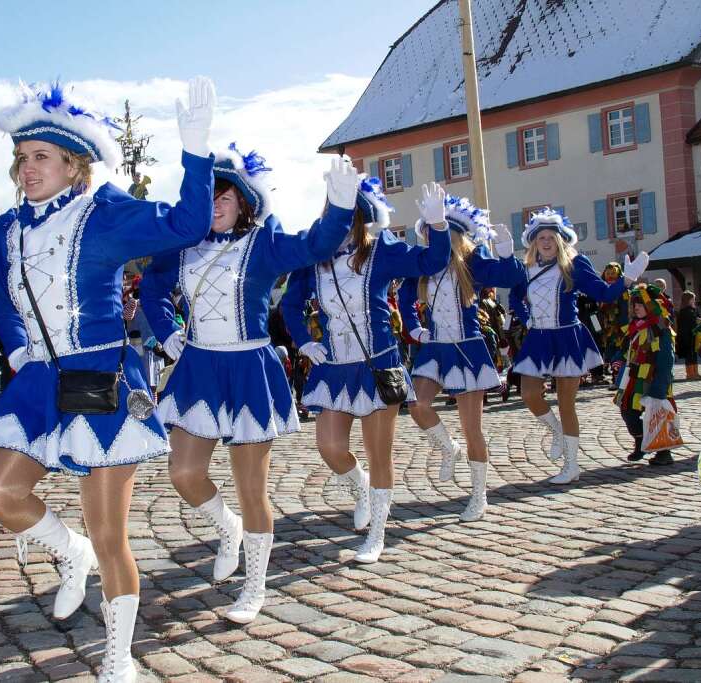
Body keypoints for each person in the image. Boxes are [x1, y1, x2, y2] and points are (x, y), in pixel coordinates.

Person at [0, 77, 217, 681]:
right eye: (22, 158)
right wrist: (21, 348)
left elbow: (188, 223)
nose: (28, 169)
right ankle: (66, 549)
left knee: (110, 533)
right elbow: (0, 297)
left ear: (74, 164)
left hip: (103, 379)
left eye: (42, 157)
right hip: (38, 381)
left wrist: (196, 150)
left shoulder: (102, 214)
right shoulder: (6, 228)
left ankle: (118, 654)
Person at [140, 145, 358, 623]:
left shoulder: (264, 243)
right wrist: (168, 331)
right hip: (198, 368)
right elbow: (151, 288)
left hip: (248, 371)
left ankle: (254, 587)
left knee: (251, 488)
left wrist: (340, 207)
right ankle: (227, 528)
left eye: (224, 197)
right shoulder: (181, 248)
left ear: (244, 203)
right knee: (183, 474)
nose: (215, 205)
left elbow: (316, 246)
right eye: (208, 197)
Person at [281, 177, 449, 563]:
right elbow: (290, 305)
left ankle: (376, 533)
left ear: (359, 215)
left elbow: (431, 261)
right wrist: (305, 341)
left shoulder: (381, 250)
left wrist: (438, 227)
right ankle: (360, 489)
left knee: (379, 454)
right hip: (336, 367)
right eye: (333, 209)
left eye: (347, 211)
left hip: (378, 364)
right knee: (329, 446)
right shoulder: (314, 255)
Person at [396, 190, 523, 521]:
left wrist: (508, 253)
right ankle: (447, 449)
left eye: (437, 232)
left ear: (454, 236)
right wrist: (414, 329)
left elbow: (510, 277)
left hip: (468, 349)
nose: (430, 238)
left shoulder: (472, 263)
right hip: (434, 347)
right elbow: (405, 299)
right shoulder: (421, 265)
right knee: (417, 405)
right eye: (427, 233)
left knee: (472, 429)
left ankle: (479, 496)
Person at [508, 209, 649, 484]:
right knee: (528, 393)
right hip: (538, 338)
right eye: (541, 237)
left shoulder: (574, 265)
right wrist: (527, 319)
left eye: (551, 237)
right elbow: (514, 299)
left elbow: (604, 293)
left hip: (567, 336)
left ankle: (571, 465)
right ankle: (557, 432)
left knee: (566, 404)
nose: (546, 242)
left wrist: (627, 278)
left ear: (561, 240)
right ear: (533, 242)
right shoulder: (525, 270)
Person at [611, 284, 676, 466]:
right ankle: (640, 441)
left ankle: (664, 452)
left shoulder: (661, 328)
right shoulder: (635, 326)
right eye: (634, 304)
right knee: (627, 411)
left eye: (640, 304)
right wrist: (618, 359)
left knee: (658, 413)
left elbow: (666, 359)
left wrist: (659, 387)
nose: (636, 307)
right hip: (635, 377)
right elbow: (626, 349)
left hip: (654, 378)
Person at [676, 291, 699, 380]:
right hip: (686, 336)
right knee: (689, 355)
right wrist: (696, 321)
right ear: (688, 300)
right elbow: (688, 324)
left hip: (692, 335)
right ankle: (690, 374)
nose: (694, 300)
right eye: (692, 299)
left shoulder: (691, 309)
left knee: (694, 354)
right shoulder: (685, 311)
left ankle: (695, 373)